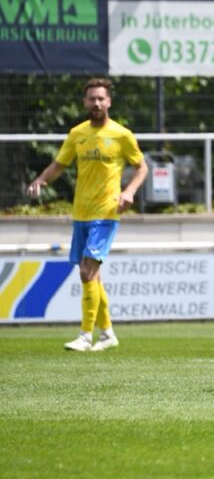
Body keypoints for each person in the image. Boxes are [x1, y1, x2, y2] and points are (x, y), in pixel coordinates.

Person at [25, 77, 148, 352]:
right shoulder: (77, 133)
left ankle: (85, 335)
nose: (96, 103)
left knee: (86, 272)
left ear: (109, 102)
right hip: (81, 212)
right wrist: (42, 181)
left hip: (107, 212)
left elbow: (142, 167)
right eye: (92, 98)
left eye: (101, 98)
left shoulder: (121, 135)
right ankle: (107, 334)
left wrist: (129, 192)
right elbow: (59, 165)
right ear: (85, 102)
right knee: (93, 276)